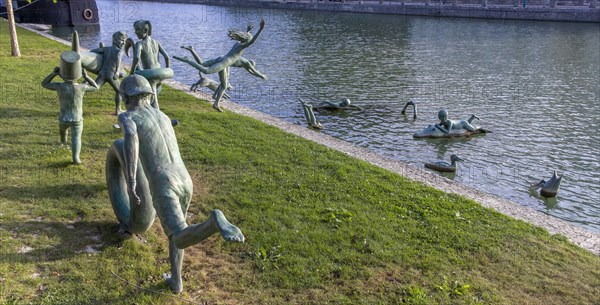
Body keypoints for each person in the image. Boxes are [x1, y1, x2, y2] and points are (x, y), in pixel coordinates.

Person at [113, 75, 244, 293]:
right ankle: (176, 280)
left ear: (126, 97)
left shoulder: (128, 117)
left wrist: (132, 180)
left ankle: (213, 222)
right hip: (184, 179)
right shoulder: (162, 116)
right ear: (148, 95)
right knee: (178, 228)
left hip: (164, 182)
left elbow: (131, 142)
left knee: (179, 236)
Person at [174, 19, 265, 111]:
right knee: (206, 71)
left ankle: (192, 49)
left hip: (221, 59)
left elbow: (246, 38)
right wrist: (260, 30)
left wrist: (248, 31)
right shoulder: (242, 47)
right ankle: (188, 60)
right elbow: (252, 41)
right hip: (224, 62)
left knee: (221, 82)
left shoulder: (237, 44)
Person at [42, 53, 98, 164]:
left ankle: (63, 141)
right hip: (77, 119)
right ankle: (76, 158)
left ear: (62, 74)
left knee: (62, 131)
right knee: (77, 138)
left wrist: (53, 74)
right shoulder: (82, 88)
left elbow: (44, 83)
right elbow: (96, 88)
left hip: (63, 118)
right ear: (79, 75)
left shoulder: (59, 86)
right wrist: (87, 77)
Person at [131, 20, 171, 109]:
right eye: (135, 30)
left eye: (137, 29)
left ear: (145, 30)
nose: (135, 32)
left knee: (155, 100)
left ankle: (158, 117)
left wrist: (132, 72)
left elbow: (136, 59)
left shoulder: (139, 44)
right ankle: (149, 109)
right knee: (153, 93)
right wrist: (167, 71)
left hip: (151, 74)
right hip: (159, 72)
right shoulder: (156, 42)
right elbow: (167, 57)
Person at [90, 31, 128, 115]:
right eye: (122, 40)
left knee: (95, 87)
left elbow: (93, 51)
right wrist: (117, 72)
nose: (124, 43)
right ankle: (118, 110)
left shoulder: (106, 49)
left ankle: (83, 85)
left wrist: (102, 55)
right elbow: (118, 61)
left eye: (125, 41)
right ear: (114, 40)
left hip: (102, 73)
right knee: (120, 91)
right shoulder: (119, 51)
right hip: (112, 75)